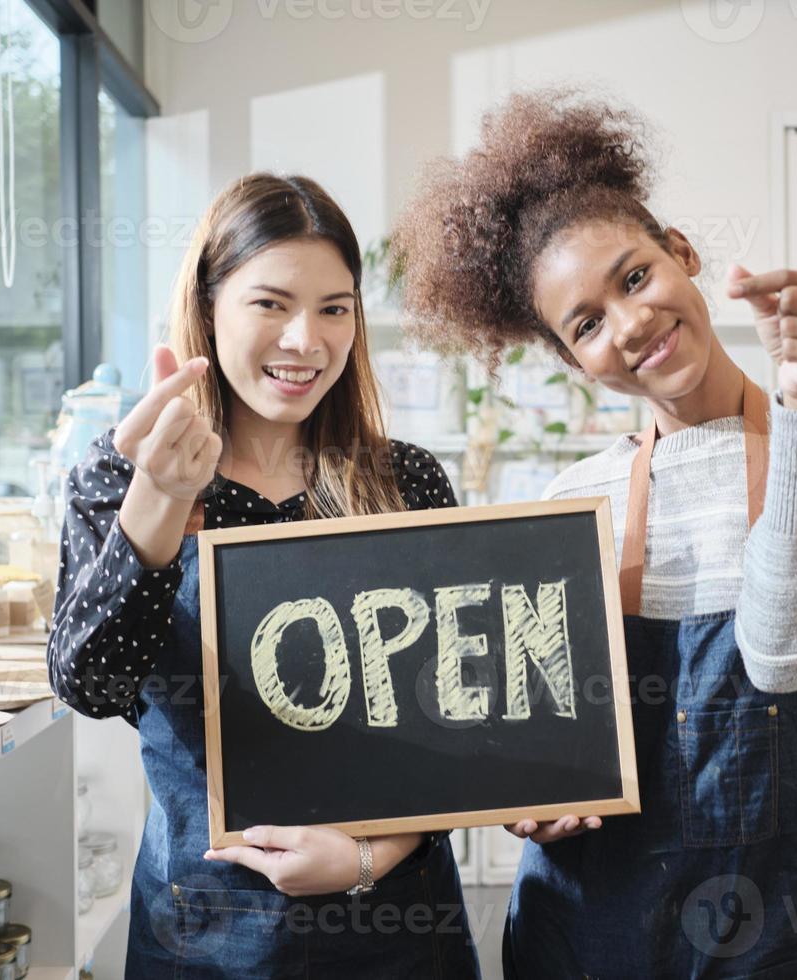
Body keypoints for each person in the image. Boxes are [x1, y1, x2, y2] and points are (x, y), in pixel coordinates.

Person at [392, 91, 797, 977]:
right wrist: (529, 797)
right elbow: (532, 734)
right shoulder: (574, 498)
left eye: (635, 277)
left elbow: (785, 653)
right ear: (571, 358)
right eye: (587, 324)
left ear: (682, 252)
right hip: (582, 932)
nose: (630, 325)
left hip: (769, 936)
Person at [47, 173, 480, 979]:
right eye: (271, 304)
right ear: (210, 305)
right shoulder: (121, 471)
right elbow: (91, 687)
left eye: (334, 308)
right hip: (202, 930)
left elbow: (457, 724)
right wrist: (162, 501)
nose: (305, 341)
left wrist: (369, 854)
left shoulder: (406, 482)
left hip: (397, 917)